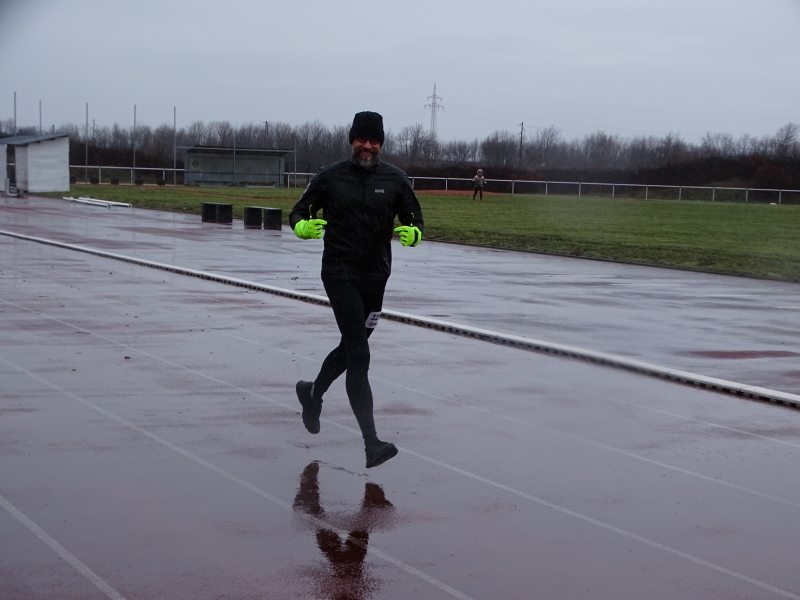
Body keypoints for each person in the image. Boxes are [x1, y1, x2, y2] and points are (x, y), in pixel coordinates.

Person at [289, 111, 424, 469]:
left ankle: (312, 393)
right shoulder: (330, 176)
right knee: (360, 354)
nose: (367, 145)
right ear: (352, 140)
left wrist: (415, 233)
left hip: (376, 277)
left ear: (381, 143)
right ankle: (371, 444)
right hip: (339, 273)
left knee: (350, 349)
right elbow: (298, 211)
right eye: (362, 139)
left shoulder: (395, 180)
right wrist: (301, 226)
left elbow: (414, 218)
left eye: (374, 140)